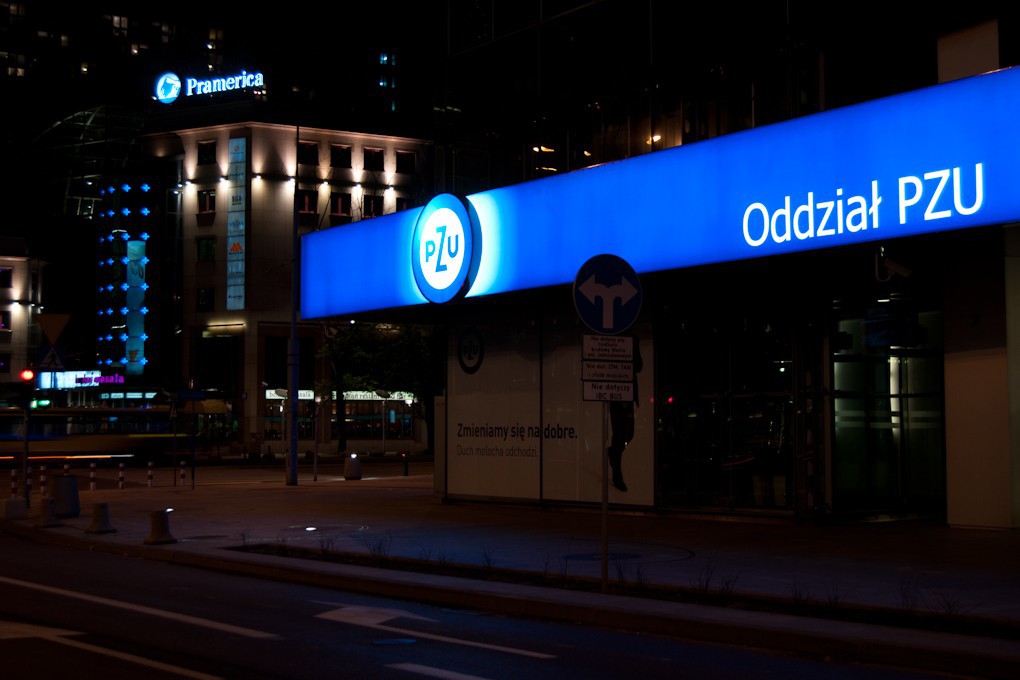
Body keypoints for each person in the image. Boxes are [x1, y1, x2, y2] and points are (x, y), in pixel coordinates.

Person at [607, 337, 642, 492]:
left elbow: (639, 366)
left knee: (627, 435)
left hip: (627, 396)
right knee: (620, 436)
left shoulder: (632, 341)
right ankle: (617, 475)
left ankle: (613, 454)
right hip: (617, 397)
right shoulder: (614, 342)